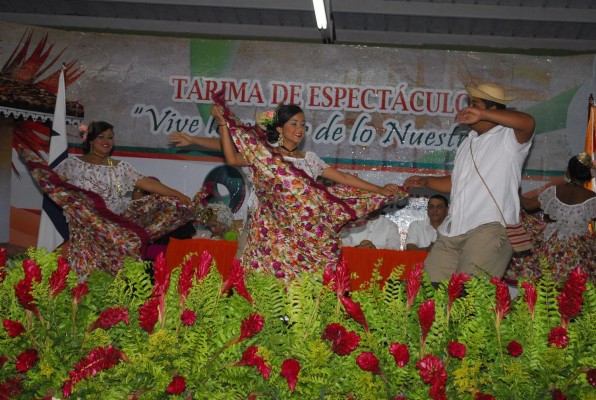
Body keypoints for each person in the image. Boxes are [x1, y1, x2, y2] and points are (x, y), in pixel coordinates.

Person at [211, 91, 407, 281]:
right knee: (263, 282)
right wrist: (222, 124)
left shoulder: (310, 159)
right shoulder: (266, 157)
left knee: (304, 284)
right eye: (294, 123)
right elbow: (232, 159)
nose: (300, 129)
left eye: (303, 124)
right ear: (279, 129)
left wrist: (379, 189)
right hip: (271, 234)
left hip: (304, 238)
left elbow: (343, 177)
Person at [20, 120, 205, 278]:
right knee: (84, 262)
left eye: (110, 137)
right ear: (90, 140)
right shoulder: (73, 164)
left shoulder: (120, 167)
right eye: (101, 137)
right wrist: (35, 164)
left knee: (124, 252)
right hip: (85, 223)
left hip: (113, 224)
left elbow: (146, 183)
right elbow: (55, 183)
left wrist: (177, 194)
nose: (106, 141)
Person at [404, 82, 535, 284]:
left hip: (489, 229)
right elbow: (457, 183)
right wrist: (427, 181)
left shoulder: (509, 137)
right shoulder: (468, 142)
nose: (469, 109)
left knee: (470, 296)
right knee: (427, 289)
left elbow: (528, 122)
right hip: (453, 231)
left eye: (475, 104)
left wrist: (483, 114)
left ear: (493, 110)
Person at [505, 153, 596, 284]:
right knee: (575, 288)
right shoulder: (592, 198)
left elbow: (528, 205)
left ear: (568, 171)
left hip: (553, 244)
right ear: (588, 174)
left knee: (548, 285)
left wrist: (517, 192)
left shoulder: (555, 191)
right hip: (580, 249)